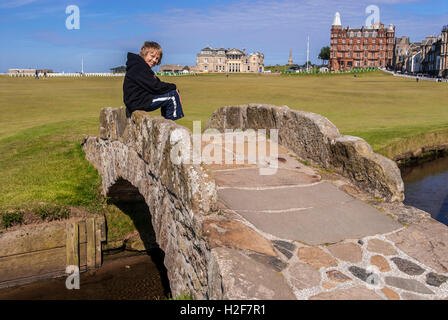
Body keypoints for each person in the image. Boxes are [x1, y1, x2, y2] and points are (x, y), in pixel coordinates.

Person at [123, 41, 184, 121]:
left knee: (170, 93)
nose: (154, 60)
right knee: (172, 96)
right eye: (152, 56)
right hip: (139, 102)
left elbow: (156, 84)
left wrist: (172, 88)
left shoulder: (139, 65)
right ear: (144, 53)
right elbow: (155, 86)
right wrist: (174, 87)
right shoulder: (140, 67)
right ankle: (171, 125)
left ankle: (167, 122)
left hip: (138, 100)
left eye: (157, 58)